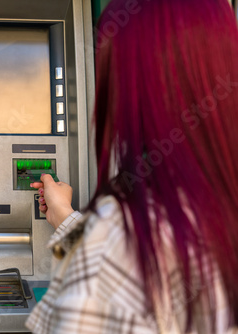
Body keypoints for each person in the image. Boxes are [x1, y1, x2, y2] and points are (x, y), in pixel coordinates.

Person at [26, 0, 238, 333]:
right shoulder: (217, 207)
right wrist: (66, 218)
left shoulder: (120, 240)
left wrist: (94, 237)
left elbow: (121, 266)